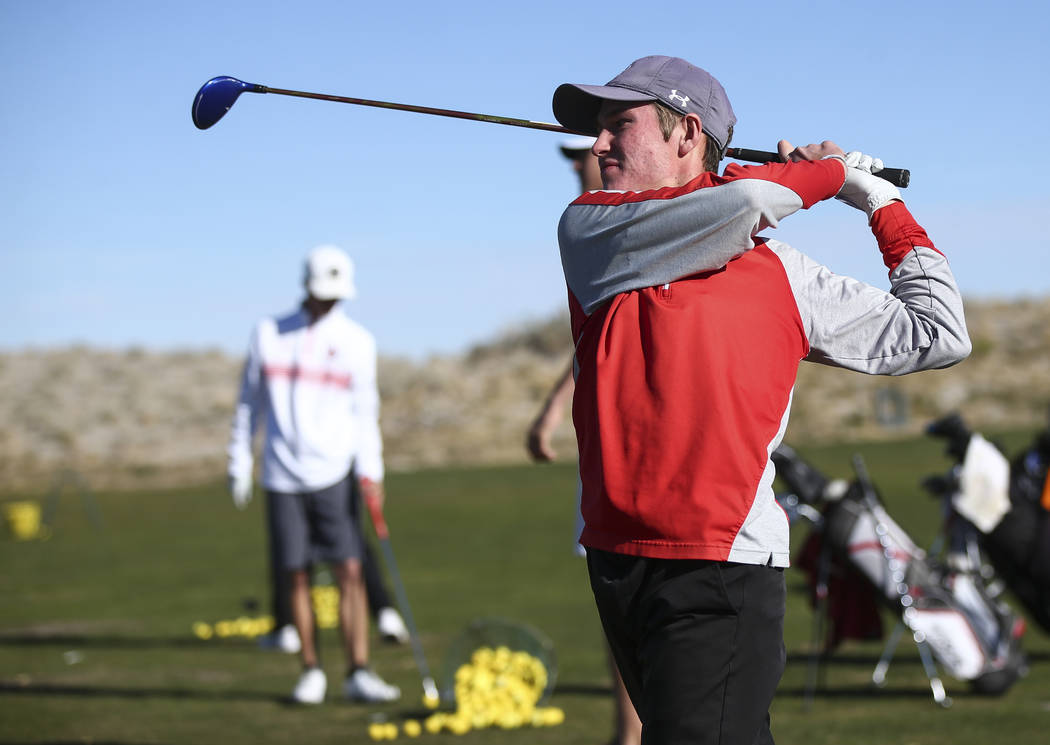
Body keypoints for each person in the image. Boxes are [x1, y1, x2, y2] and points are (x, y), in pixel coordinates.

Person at [550, 55, 971, 744]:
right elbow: (738, 203)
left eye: (617, 125)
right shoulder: (592, 232)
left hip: (720, 570)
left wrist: (881, 205)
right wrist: (832, 173)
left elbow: (937, 331)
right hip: (617, 559)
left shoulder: (783, 273)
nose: (598, 146)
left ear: (686, 134)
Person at [227, 245, 401, 704]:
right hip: (282, 476)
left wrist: (372, 472)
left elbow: (366, 413)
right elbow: (249, 404)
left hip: (336, 473)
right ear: (306, 287)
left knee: (349, 569)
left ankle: (358, 671)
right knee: (296, 574)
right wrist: (239, 461)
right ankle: (311, 671)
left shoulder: (358, 342)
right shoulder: (268, 333)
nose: (329, 303)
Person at [526, 136, 643, 745]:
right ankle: (627, 735)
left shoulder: (635, 219)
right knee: (617, 605)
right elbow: (591, 340)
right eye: (573, 159)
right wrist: (552, 410)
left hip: (648, 448)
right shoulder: (587, 229)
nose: (578, 166)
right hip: (602, 447)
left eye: (585, 155)